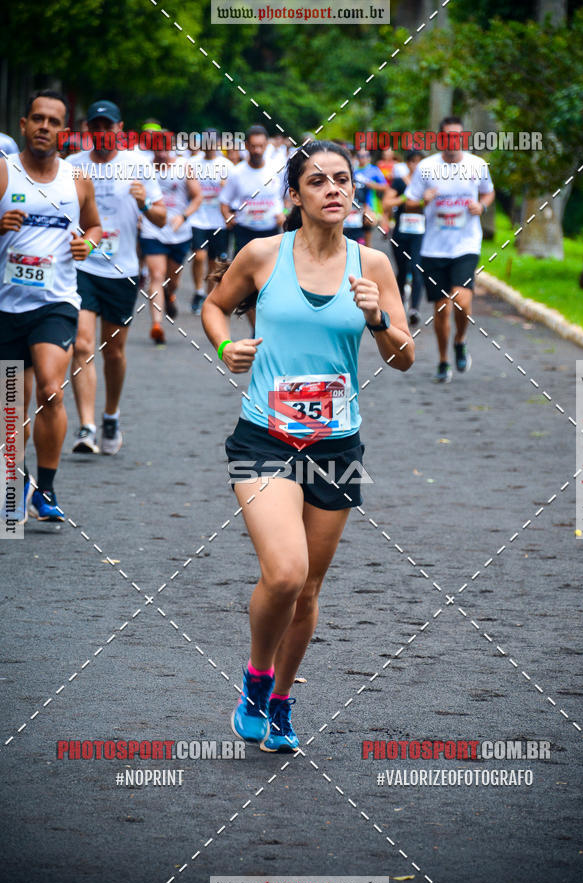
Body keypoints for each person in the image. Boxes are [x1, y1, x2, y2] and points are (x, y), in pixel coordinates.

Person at [202, 140, 414, 752]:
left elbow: (404, 358)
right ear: (294, 196)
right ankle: (255, 681)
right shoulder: (263, 255)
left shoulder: (371, 265)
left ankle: (281, 703)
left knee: (310, 590)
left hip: (336, 445)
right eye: (317, 181)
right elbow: (215, 308)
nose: (333, 190)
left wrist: (377, 319)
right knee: (287, 572)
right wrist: (225, 349)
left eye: (343, 180)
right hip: (264, 437)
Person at [0, 90, 101, 521]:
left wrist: (88, 244)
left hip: (56, 301)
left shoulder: (76, 179)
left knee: (49, 390)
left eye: (53, 121)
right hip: (6, 306)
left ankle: (46, 489)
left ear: (64, 130)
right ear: (23, 125)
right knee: (10, 404)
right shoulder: (3, 173)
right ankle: (12, 485)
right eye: (37, 119)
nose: (44, 126)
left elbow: (95, 224)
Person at [67, 100, 166, 454]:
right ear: (88, 130)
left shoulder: (138, 165)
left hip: (121, 269)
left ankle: (110, 414)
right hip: (81, 266)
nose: (101, 132)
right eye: (95, 126)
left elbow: (161, 219)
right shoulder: (72, 166)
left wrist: (143, 204)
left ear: (119, 129)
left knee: (114, 352)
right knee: (81, 345)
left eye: (107, 126)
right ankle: (86, 427)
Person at [405, 116, 494, 383]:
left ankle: (460, 339)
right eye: (448, 137)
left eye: (457, 137)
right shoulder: (426, 167)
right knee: (442, 309)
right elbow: (408, 203)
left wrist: (483, 206)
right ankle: (444, 360)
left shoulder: (477, 165)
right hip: (434, 248)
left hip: (466, 244)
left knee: (462, 300)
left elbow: (488, 192)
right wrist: (423, 200)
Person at [140, 137, 202, 341]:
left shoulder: (184, 167)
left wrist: (183, 216)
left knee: (172, 279)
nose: (162, 154)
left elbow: (197, 196)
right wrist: (140, 216)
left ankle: (169, 294)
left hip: (179, 232)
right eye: (158, 149)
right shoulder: (144, 168)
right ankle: (156, 324)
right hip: (152, 229)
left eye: (166, 149)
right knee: (156, 276)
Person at [220, 125, 285, 256]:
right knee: (243, 273)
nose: (257, 150)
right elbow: (224, 200)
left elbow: (287, 197)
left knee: (269, 272)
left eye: (261, 146)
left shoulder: (277, 169)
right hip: (244, 231)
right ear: (246, 146)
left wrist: (284, 213)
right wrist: (228, 217)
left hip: (270, 231)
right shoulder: (236, 172)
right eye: (254, 146)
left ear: (267, 145)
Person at [188, 133, 233, 313]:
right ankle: (198, 290)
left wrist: (225, 186)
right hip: (198, 218)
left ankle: (208, 296)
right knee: (199, 256)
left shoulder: (226, 165)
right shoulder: (193, 163)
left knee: (215, 261)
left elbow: (232, 192)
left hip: (218, 220)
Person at [383, 150, 425, 326]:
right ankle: (399, 304)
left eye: (419, 162)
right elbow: (387, 203)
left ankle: (414, 308)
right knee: (401, 270)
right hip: (401, 232)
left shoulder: (428, 184)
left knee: (417, 268)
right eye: (413, 162)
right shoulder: (400, 182)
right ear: (408, 164)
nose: (416, 166)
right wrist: (405, 199)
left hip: (421, 233)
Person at [354, 149, 387, 247]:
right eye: (360, 156)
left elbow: (384, 186)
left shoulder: (374, 170)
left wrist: (371, 184)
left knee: (367, 225)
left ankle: (367, 253)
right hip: (354, 205)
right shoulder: (353, 170)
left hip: (369, 204)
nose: (362, 158)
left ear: (369, 158)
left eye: (365, 156)